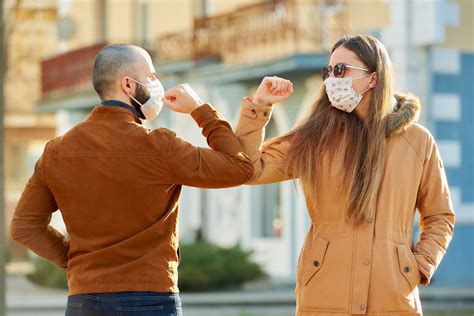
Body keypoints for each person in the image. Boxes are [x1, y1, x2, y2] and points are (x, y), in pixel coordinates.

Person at [10, 44, 254, 315]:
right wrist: (199, 109)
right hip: (149, 299)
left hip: (84, 300)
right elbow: (238, 168)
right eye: (151, 77)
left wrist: (76, 260)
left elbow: (24, 228)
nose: (156, 84)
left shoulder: (57, 152)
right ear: (127, 84)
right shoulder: (159, 147)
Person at [236, 35, 455, 315]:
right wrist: (260, 106)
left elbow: (439, 216)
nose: (331, 80)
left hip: (393, 298)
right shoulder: (317, 138)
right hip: (324, 294)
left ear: (373, 78)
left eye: (341, 70)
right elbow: (249, 169)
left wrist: (417, 266)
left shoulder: (417, 141)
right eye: (328, 71)